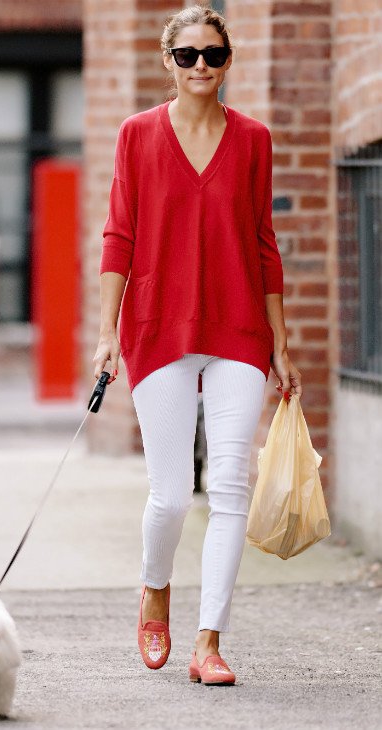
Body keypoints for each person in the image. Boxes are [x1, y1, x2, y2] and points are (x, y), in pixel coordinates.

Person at [92, 4, 302, 686]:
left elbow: (264, 245)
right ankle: (155, 588)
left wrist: (280, 340)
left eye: (213, 54)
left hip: (239, 326)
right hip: (158, 328)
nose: (201, 66)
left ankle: (208, 640)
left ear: (228, 60)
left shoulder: (254, 141)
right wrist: (105, 334)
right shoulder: (138, 135)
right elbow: (118, 236)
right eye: (188, 56)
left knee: (231, 487)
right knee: (173, 497)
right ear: (168, 63)